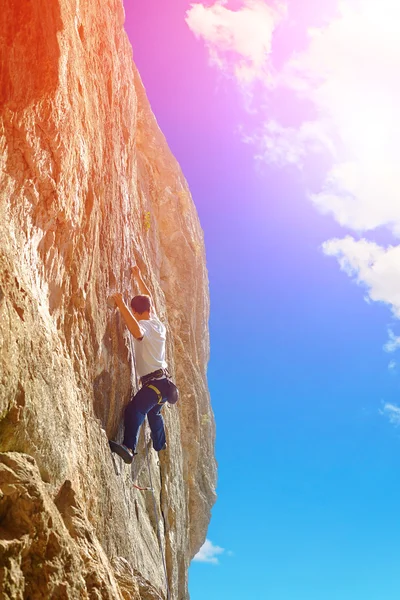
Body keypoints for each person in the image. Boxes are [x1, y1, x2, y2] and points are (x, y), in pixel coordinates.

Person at [109, 265, 170, 464]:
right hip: (164, 383)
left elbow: (136, 332)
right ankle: (160, 444)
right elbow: (148, 296)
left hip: (155, 384)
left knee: (135, 410)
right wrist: (138, 276)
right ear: (150, 309)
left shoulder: (144, 326)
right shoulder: (158, 324)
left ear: (135, 311)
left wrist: (121, 304)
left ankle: (128, 448)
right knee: (154, 411)